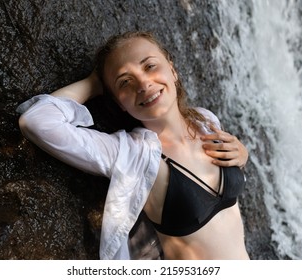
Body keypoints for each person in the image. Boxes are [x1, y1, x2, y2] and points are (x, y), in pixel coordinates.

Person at [17, 31, 249, 260]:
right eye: (125, 82)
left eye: (149, 66)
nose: (143, 83)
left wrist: (243, 156)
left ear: (173, 70)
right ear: (119, 103)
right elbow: (37, 121)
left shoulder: (204, 121)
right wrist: (93, 83)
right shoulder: (132, 155)